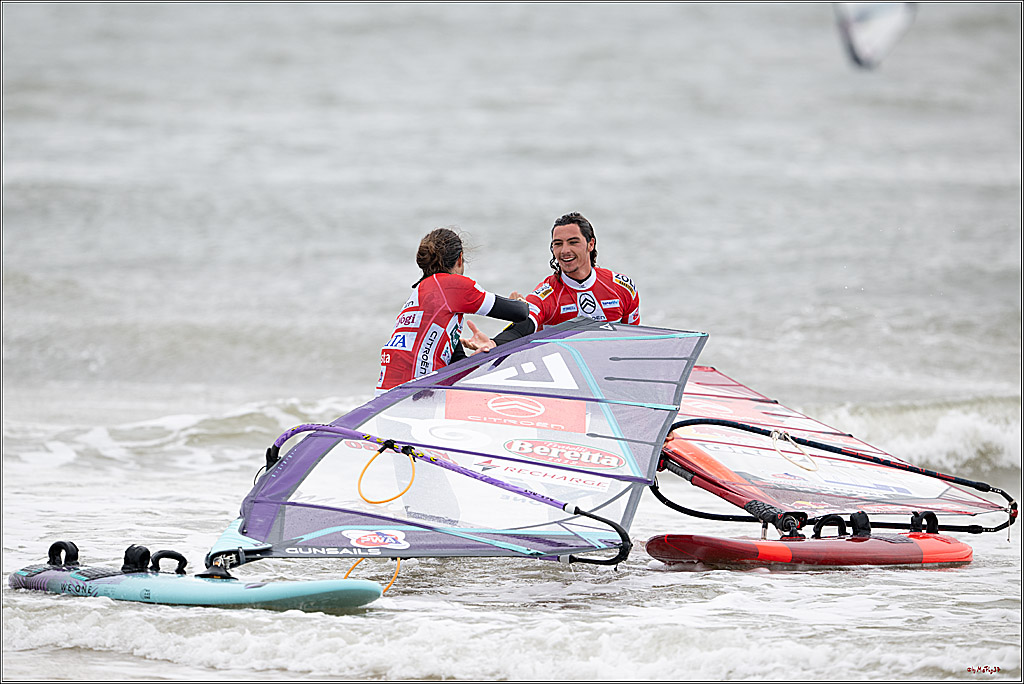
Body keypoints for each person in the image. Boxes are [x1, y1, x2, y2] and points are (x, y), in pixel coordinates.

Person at [376, 227, 529, 394]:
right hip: (414, 396)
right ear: (460, 259)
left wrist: (477, 356)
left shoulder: (420, 294)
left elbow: (456, 363)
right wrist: (520, 301)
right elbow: (520, 313)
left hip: (385, 395)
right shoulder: (452, 285)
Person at [493, 212, 639, 345]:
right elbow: (523, 327)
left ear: (591, 244)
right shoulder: (546, 295)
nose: (564, 251)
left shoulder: (622, 287)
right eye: (558, 244)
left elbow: (635, 341)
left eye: (573, 242)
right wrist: (494, 344)